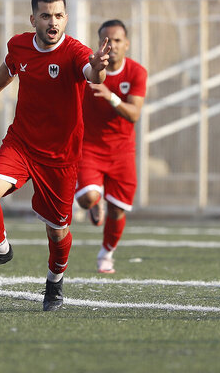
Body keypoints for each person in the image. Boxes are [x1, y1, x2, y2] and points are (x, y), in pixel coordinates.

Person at [0, 0, 110, 311]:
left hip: (60, 157)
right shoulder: (19, 44)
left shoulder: (75, 53)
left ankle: (54, 284)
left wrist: (98, 66)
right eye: (45, 16)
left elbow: (92, 73)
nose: (52, 22)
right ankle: (1, 251)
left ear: (66, 19)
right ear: (33, 20)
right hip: (22, 143)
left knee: (57, 232)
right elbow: (10, 66)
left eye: (58, 16)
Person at [74, 20, 147, 274]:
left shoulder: (136, 72)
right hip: (90, 148)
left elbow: (134, 114)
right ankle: (95, 204)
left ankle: (106, 253)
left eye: (117, 40)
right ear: (99, 44)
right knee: (86, 199)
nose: (112, 46)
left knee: (118, 210)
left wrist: (111, 96)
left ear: (126, 44)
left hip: (122, 152)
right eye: (107, 40)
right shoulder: (88, 71)